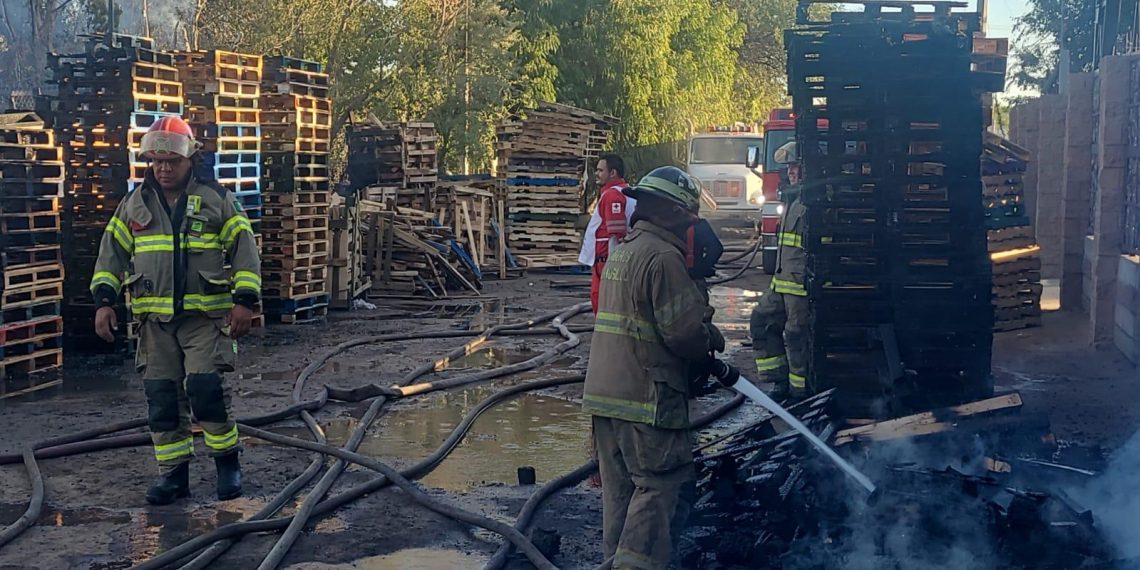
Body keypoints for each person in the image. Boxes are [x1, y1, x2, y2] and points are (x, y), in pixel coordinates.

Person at [90, 116, 261, 505]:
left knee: (206, 392)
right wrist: (104, 301)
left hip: (205, 319)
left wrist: (244, 303)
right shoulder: (134, 204)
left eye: (172, 162)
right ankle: (174, 476)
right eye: (156, 162)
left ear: (189, 160)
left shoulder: (217, 199)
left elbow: (245, 251)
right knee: (163, 399)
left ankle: (226, 464)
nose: (163, 169)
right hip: (155, 324)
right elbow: (111, 254)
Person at [583, 165, 724, 569]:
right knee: (662, 484)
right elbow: (684, 334)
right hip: (647, 398)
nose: (693, 225)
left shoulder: (625, 251)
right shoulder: (663, 257)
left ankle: (616, 562)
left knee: (622, 494)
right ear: (673, 211)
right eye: (690, 216)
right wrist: (711, 338)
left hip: (606, 396)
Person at [750, 141, 809, 400]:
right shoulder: (792, 199)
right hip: (782, 282)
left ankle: (801, 392)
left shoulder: (813, 204)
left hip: (800, 286)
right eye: (789, 167)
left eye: (795, 166)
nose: (790, 172)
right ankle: (778, 381)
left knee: (796, 334)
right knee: (761, 321)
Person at [578, 154, 636, 313]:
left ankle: (603, 335)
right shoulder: (626, 191)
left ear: (613, 173)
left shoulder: (612, 195)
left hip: (605, 258)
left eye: (600, 170)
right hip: (612, 257)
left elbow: (617, 231)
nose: (596, 174)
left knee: (601, 298)